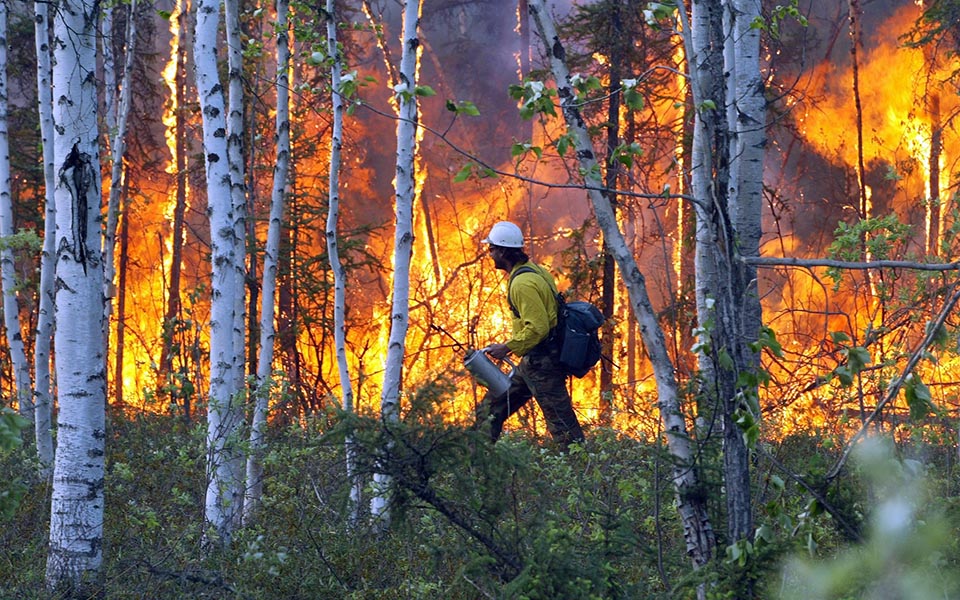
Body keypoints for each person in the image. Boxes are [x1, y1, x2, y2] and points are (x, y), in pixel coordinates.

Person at [475, 221, 585, 448]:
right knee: (490, 410)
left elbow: (538, 327)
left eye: (492, 249)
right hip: (532, 363)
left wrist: (506, 347)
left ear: (503, 251)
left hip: (543, 365)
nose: (490, 253)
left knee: (565, 431)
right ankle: (478, 464)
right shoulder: (536, 271)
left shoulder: (522, 283)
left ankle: (582, 472)